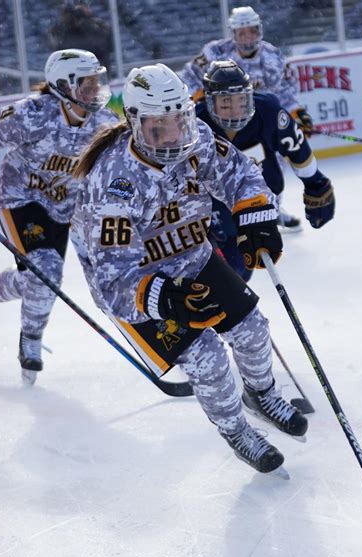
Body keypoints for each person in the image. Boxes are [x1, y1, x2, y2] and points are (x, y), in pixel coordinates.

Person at [71, 63, 308, 476]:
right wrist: (162, 297)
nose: (173, 134)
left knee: (253, 331)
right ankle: (235, 430)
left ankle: (262, 393)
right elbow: (112, 277)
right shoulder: (114, 184)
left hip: (192, 257)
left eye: (178, 119)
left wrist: (255, 218)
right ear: (134, 123)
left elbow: (240, 173)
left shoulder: (197, 141)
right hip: (139, 284)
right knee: (208, 358)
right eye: (158, 126)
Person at [0, 49, 117, 384]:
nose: (95, 89)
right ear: (64, 85)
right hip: (22, 199)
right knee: (47, 270)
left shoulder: (103, 125)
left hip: (66, 208)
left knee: (41, 280)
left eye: (96, 81)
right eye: (86, 83)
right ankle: (30, 339)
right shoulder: (31, 115)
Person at [196, 59, 335, 280]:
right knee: (230, 273)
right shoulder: (195, 123)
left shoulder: (268, 111)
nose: (234, 111)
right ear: (210, 101)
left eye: (241, 101)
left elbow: (296, 149)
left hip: (261, 198)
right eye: (225, 103)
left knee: (241, 269)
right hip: (216, 204)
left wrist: (315, 183)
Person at [180, 6, 313, 231]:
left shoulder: (273, 57)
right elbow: (189, 79)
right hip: (218, 120)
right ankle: (214, 213)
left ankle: (270, 208)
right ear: (233, 33)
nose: (247, 37)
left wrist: (296, 113)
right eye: (241, 33)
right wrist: (198, 97)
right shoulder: (215, 53)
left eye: (252, 31)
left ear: (259, 31)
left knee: (270, 165)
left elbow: (285, 94)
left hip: (255, 123)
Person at [48, 3, 113, 71]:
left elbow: (107, 45)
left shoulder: (96, 25)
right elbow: (59, 49)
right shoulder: (64, 29)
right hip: (75, 66)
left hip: (97, 65)